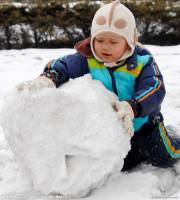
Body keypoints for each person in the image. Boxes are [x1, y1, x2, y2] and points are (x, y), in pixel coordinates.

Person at [17, 0, 180, 171]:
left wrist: (132, 107)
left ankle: (173, 137)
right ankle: (137, 152)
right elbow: (65, 65)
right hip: (116, 128)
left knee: (163, 156)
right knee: (123, 164)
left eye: (113, 42)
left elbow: (155, 87)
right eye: (100, 40)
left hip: (145, 123)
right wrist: (50, 77)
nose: (105, 46)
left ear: (129, 42)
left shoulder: (142, 62)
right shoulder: (88, 59)